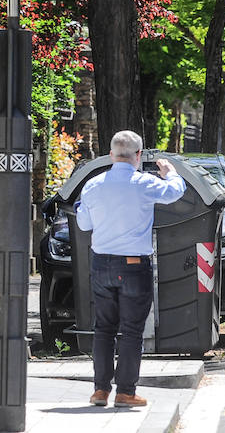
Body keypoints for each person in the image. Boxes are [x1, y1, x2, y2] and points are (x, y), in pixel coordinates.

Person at [76, 131, 187, 407]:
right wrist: (170, 172)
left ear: (112, 154)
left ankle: (100, 390)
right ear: (138, 156)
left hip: (101, 263)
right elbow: (175, 192)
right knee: (132, 330)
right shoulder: (144, 183)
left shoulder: (93, 185)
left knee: (103, 328)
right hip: (134, 266)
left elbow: (83, 225)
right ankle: (126, 391)